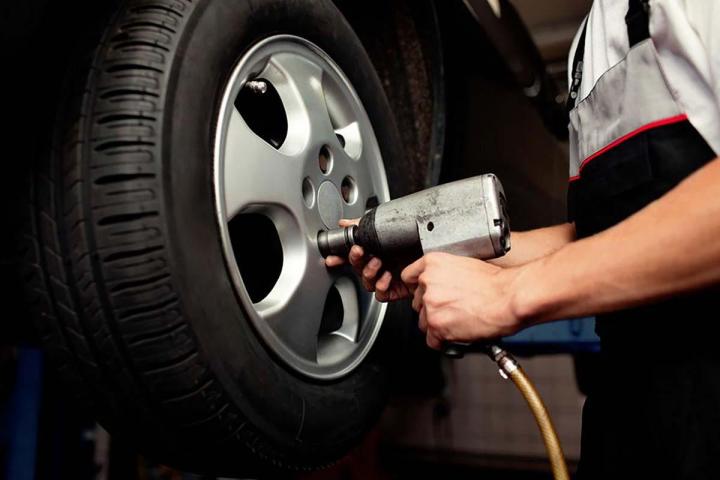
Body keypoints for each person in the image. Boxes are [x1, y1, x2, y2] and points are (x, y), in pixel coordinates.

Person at [326, 0, 720, 478]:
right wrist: (443, 257)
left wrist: (507, 296)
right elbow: (603, 235)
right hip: (629, 419)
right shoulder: (588, 42)